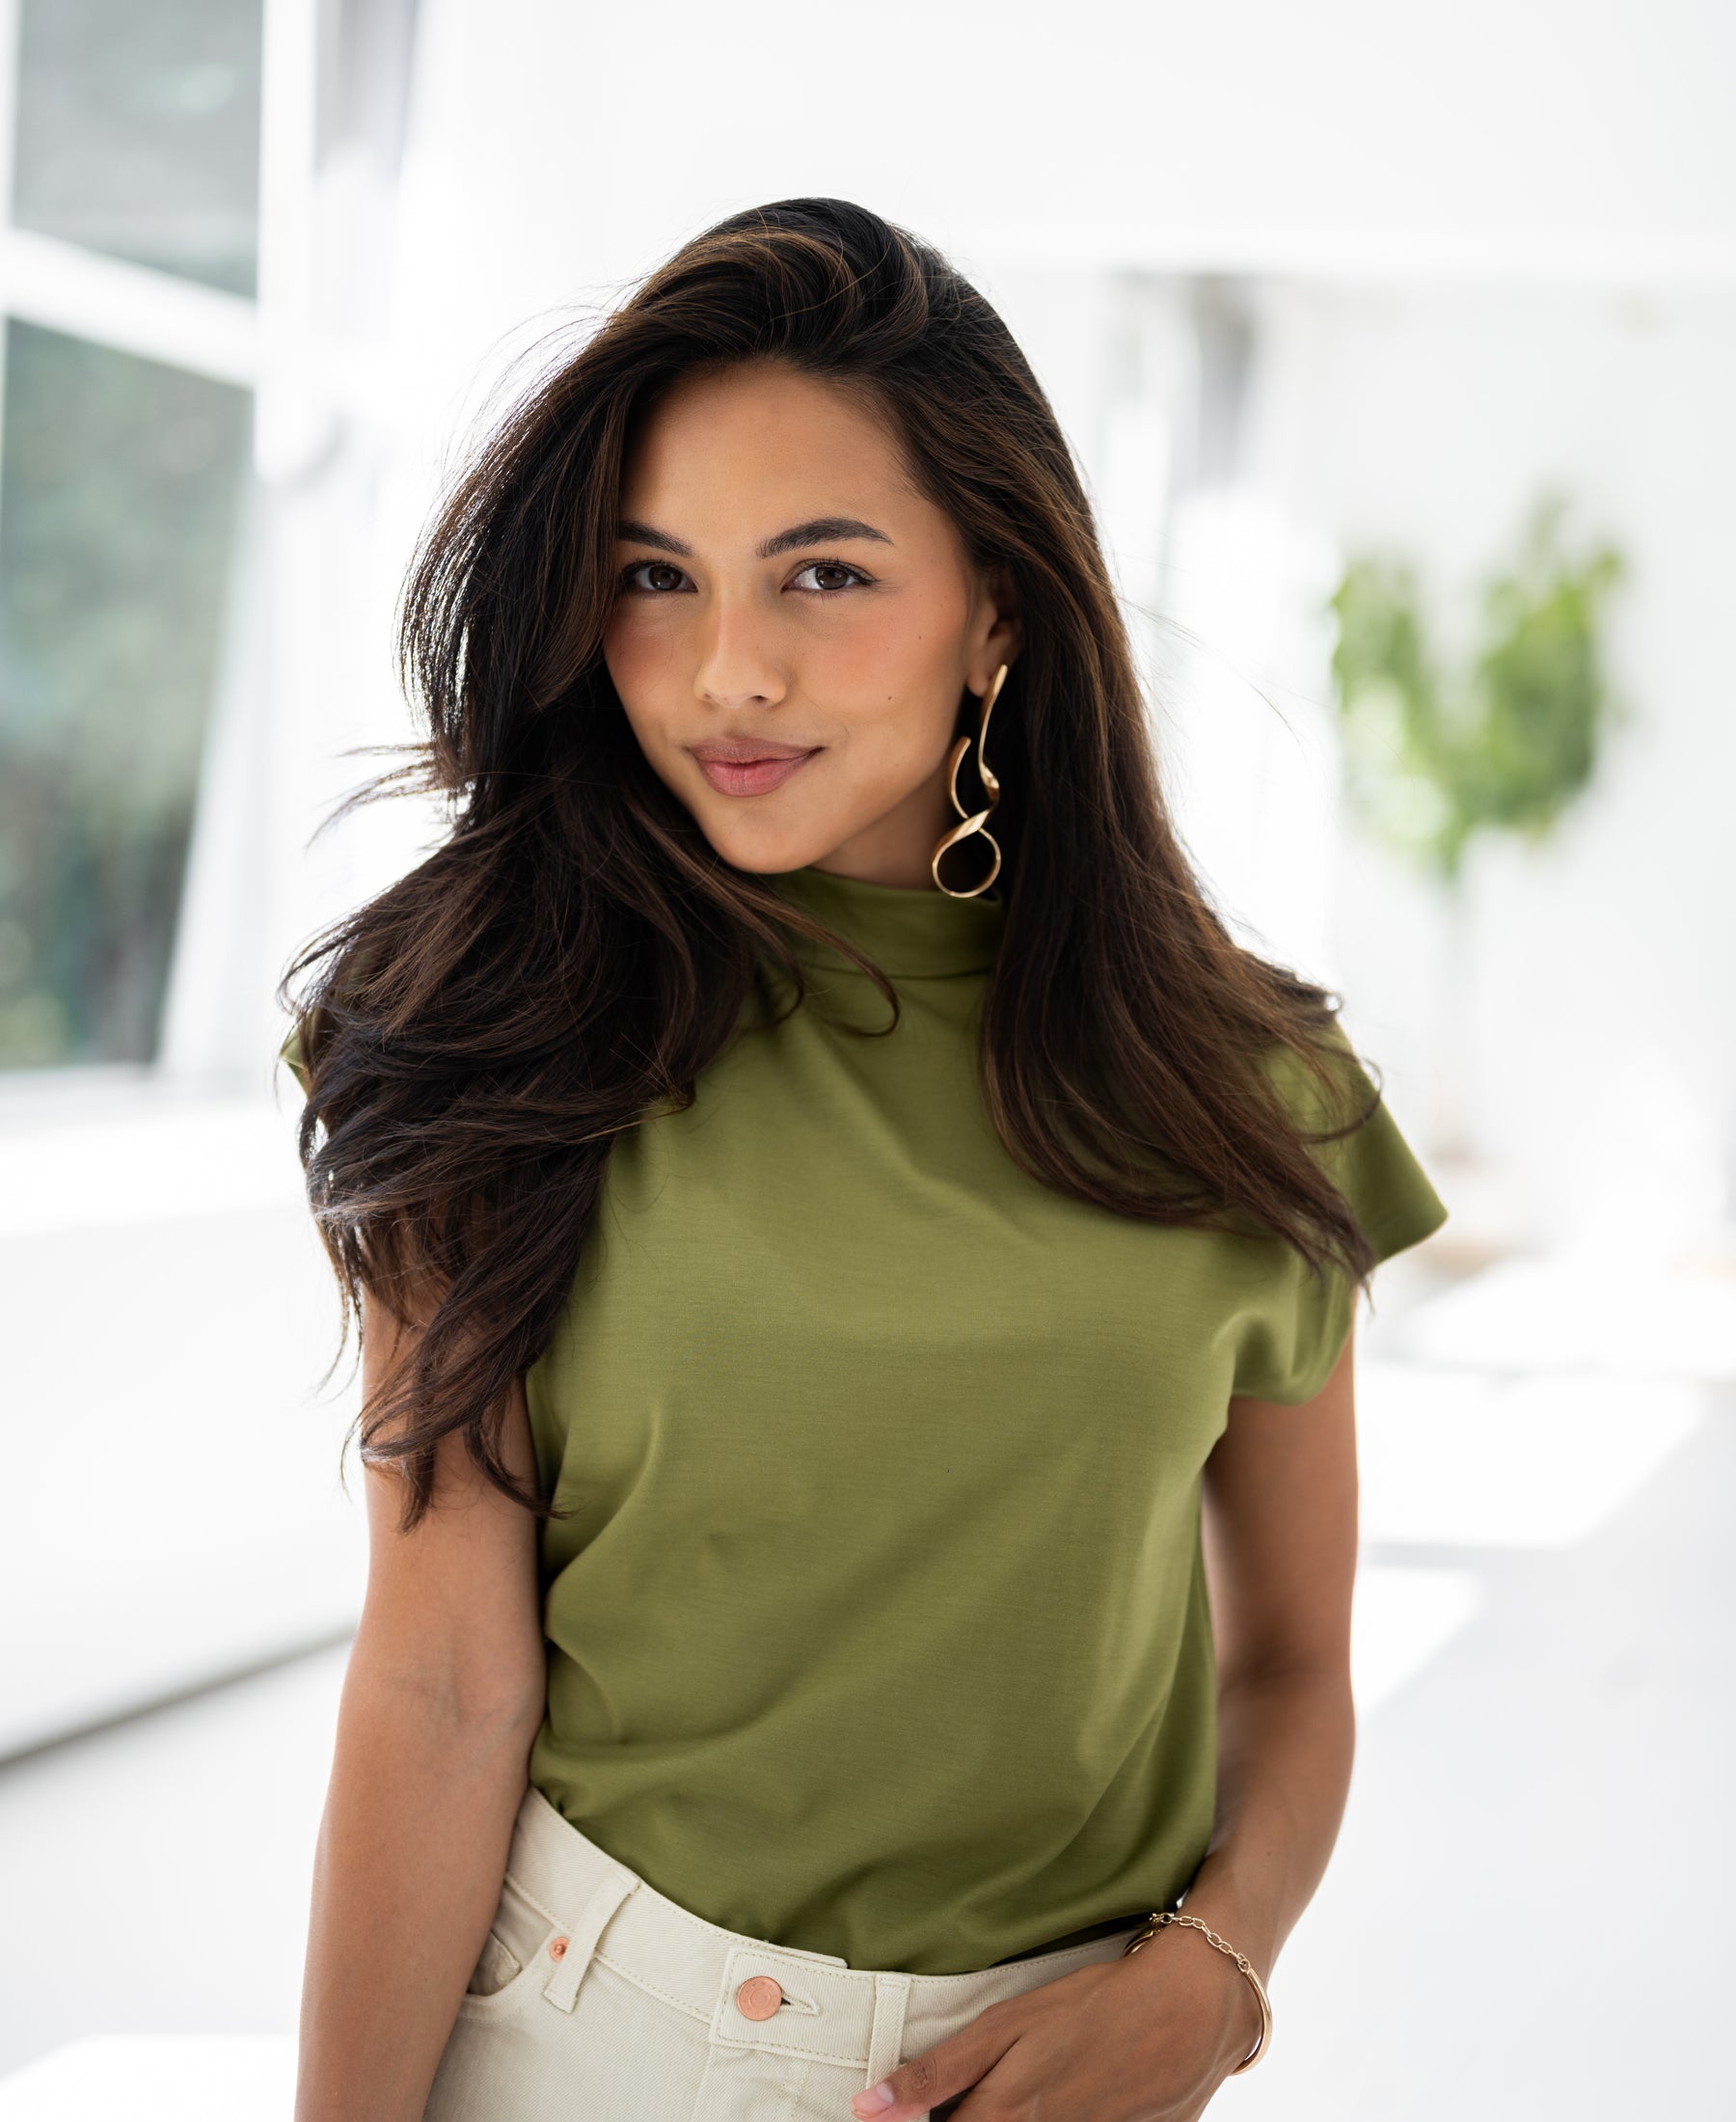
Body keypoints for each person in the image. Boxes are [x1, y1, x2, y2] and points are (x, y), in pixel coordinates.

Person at [285, 198, 1446, 2122]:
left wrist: (1217, 1975)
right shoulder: (494, 1027)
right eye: (657, 577)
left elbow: (1300, 1662)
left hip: (1071, 2066)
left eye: (820, 574)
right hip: (586, 2036)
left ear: (999, 601)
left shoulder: (1253, 1092)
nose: (725, 668)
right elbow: (442, 1679)